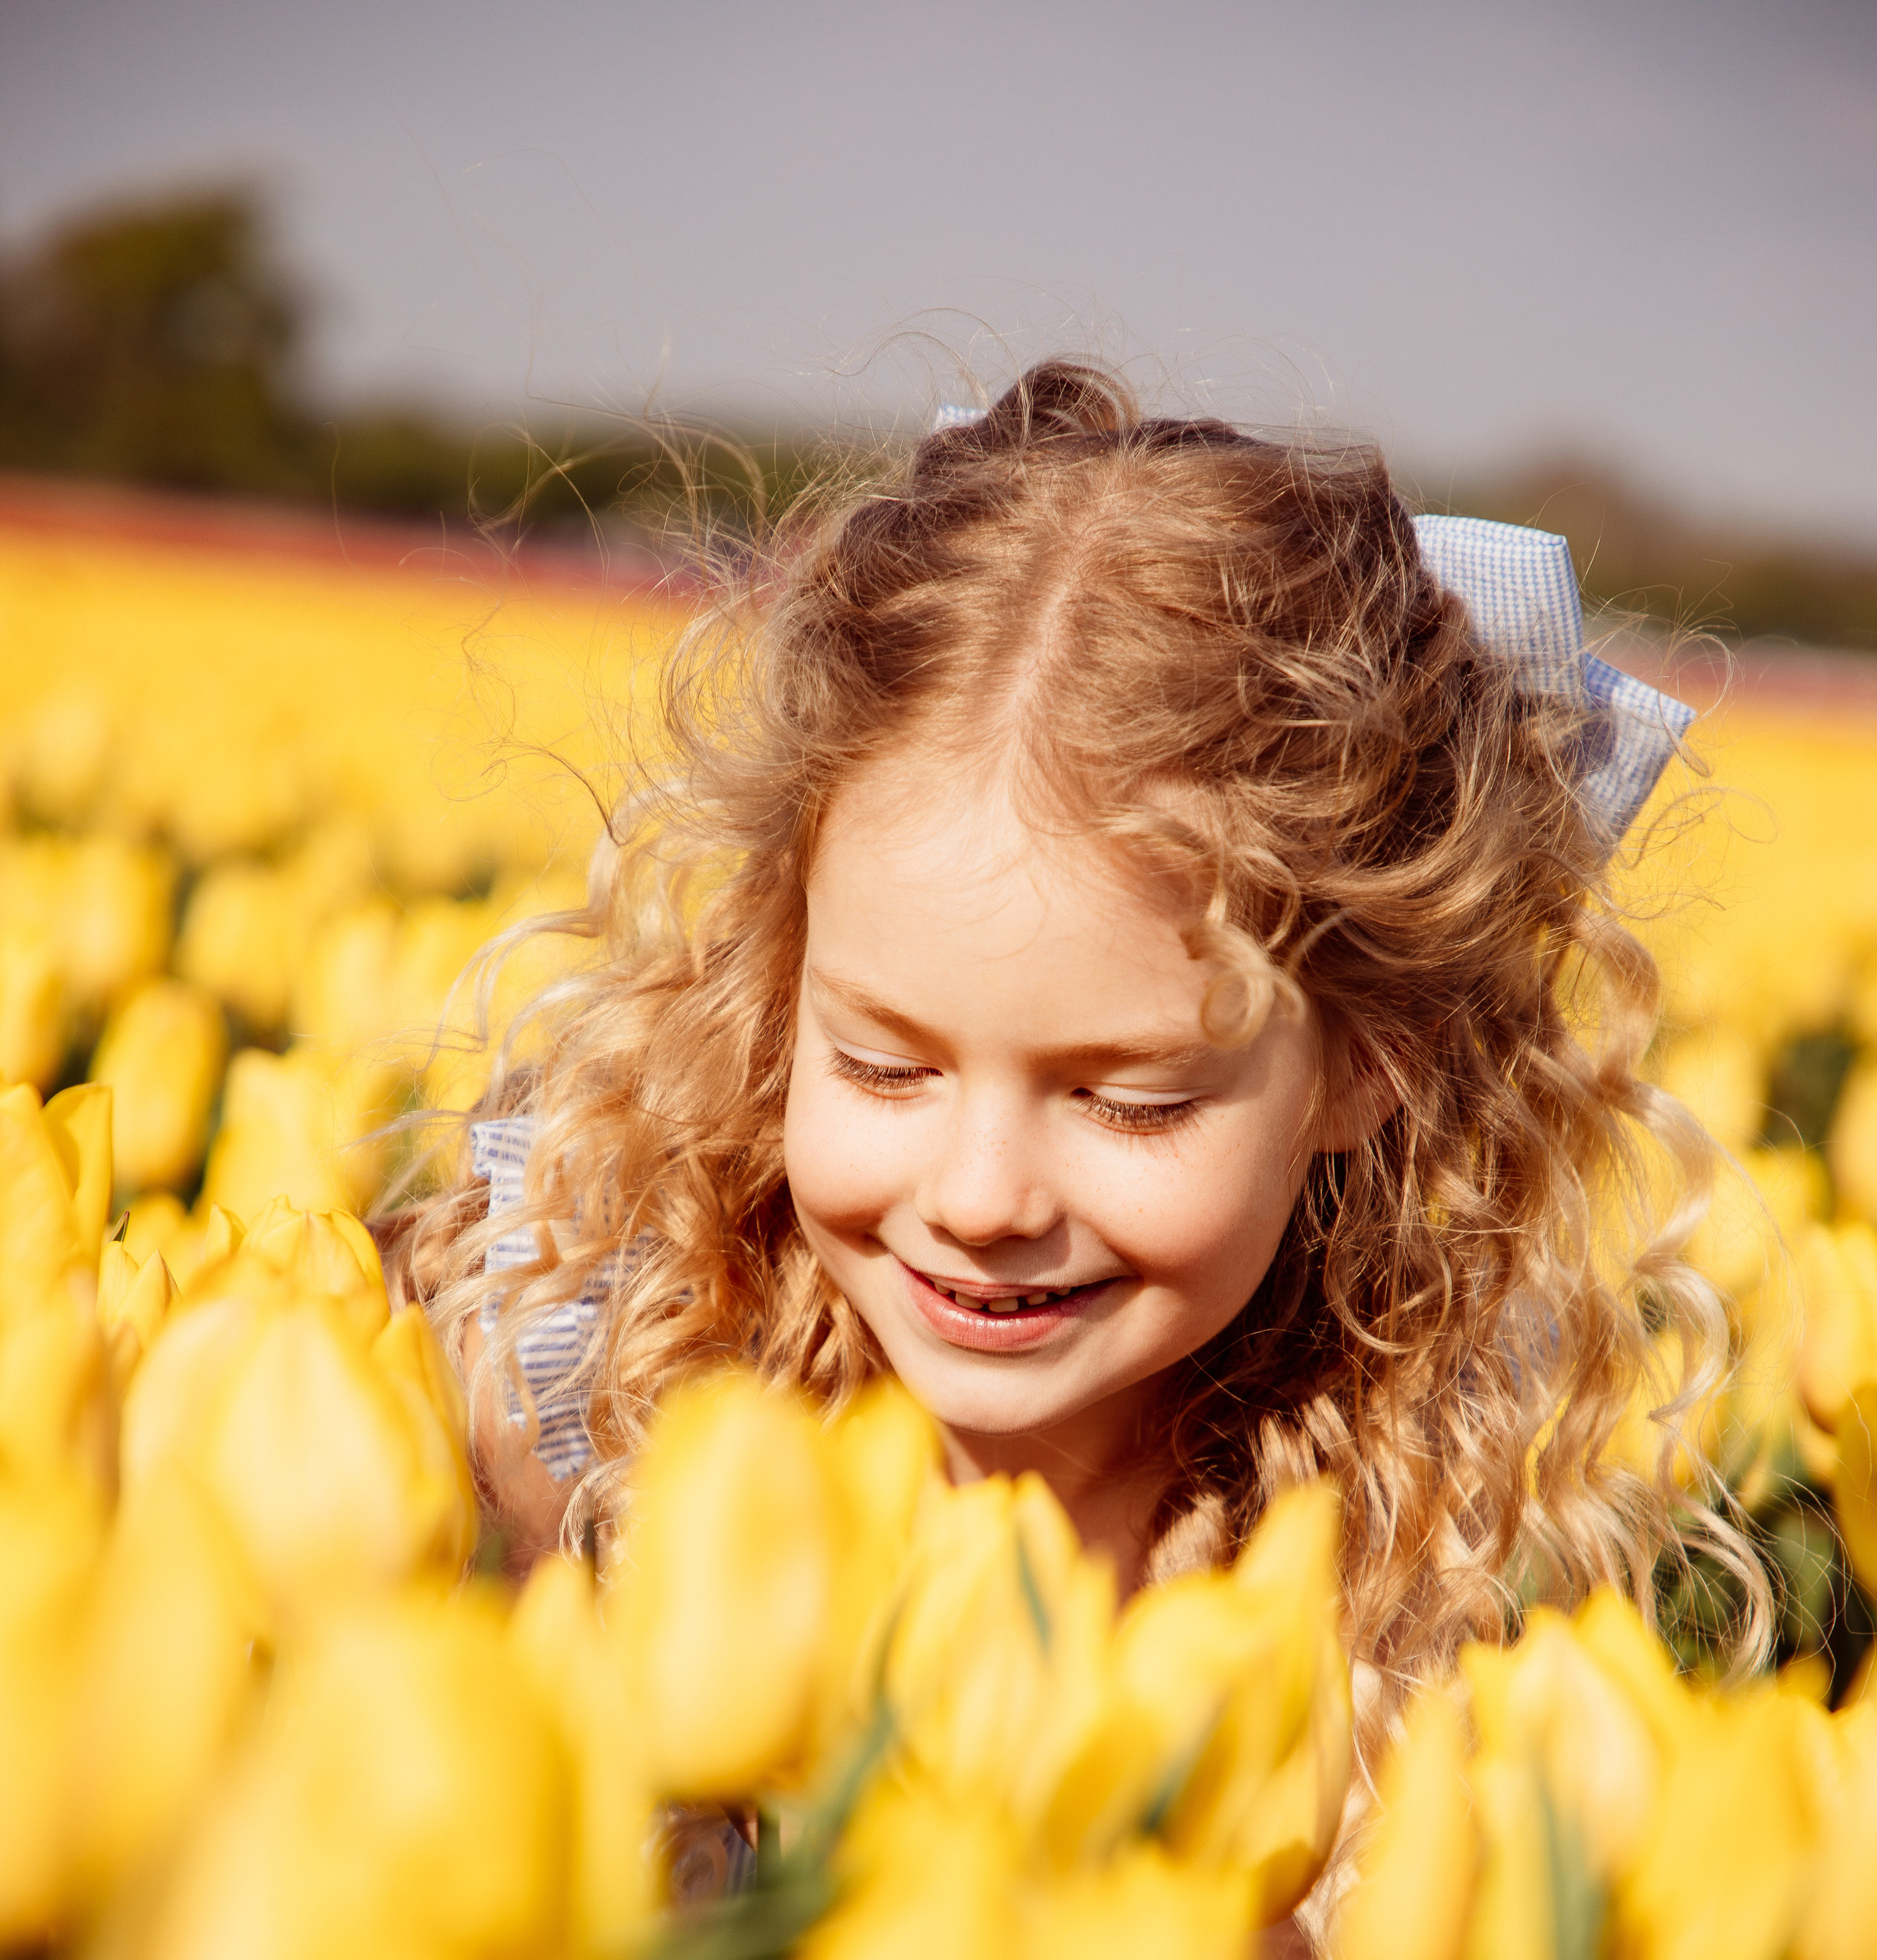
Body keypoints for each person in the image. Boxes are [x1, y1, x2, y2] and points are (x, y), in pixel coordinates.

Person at [408, 359, 1759, 1797]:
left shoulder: (1431, 1565)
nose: (980, 1199)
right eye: (880, 1065)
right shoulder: (582, 1417)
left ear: (1371, 1066)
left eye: (1128, 1099)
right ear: (777, 981)